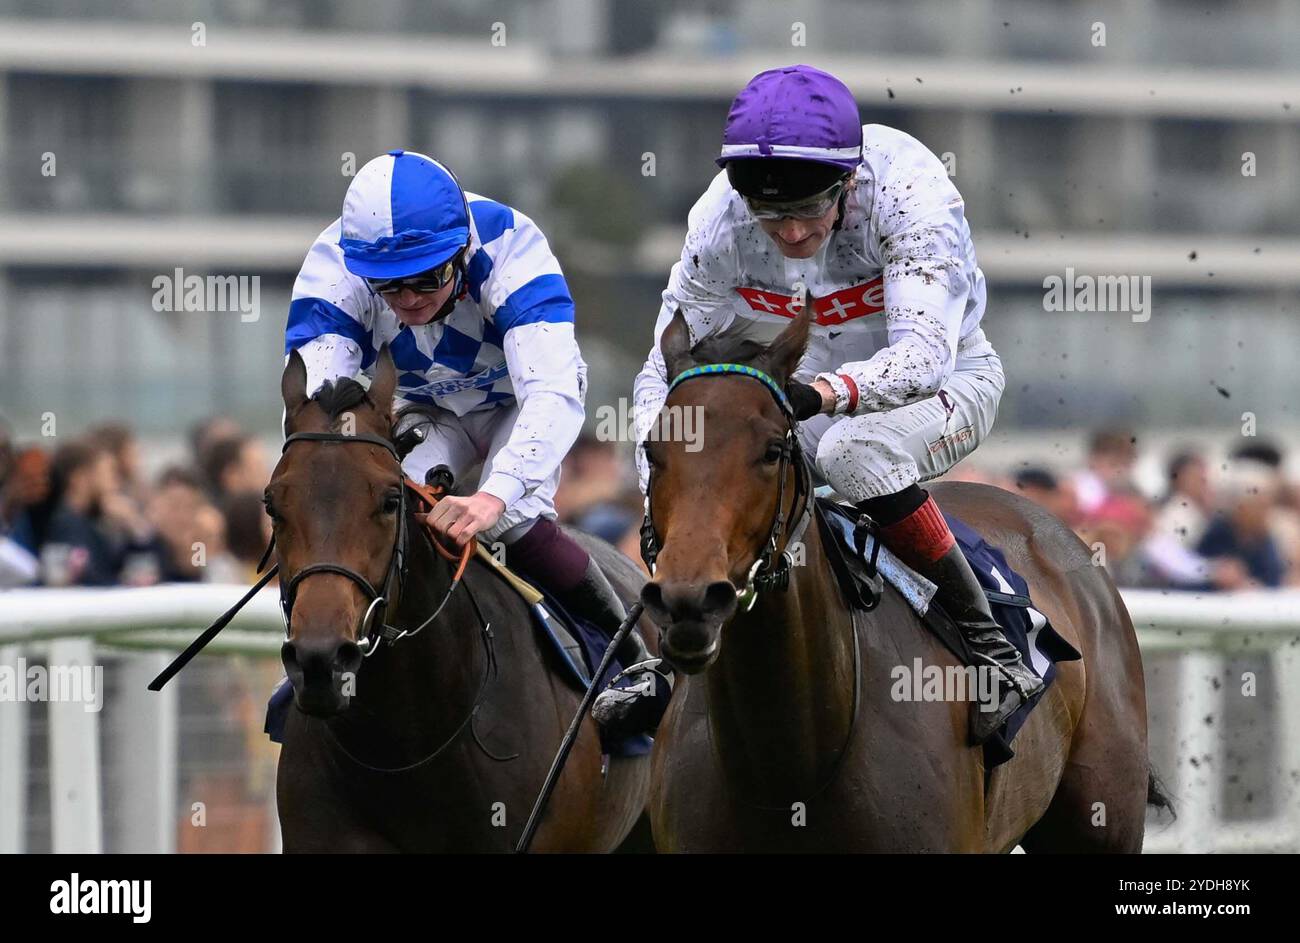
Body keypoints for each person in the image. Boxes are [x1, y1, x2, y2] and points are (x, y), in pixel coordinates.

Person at [632, 65, 1040, 741]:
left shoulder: (910, 193)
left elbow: (922, 360)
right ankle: (666, 659)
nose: (790, 234)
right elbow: (664, 370)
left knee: (855, 449)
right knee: (708, 452)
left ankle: (990, 640)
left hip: (944, 385)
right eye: (771, 215)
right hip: (802, 400)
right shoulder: (718, 220)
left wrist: (822, 392)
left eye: (809, 210)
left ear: (848, 181)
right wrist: (659, 478)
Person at [284, 149, 655, 735]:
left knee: (507, 522)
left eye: (427, 279)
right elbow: (323, 402)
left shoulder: (512, 249)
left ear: (461, 250)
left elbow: (551, 397)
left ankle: (631, 655)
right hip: (424, 409)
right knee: (387, 505)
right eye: (388, 287)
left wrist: (493, 496)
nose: (407, 300)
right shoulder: (336, 264)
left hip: (516, 404)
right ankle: (327, 661)